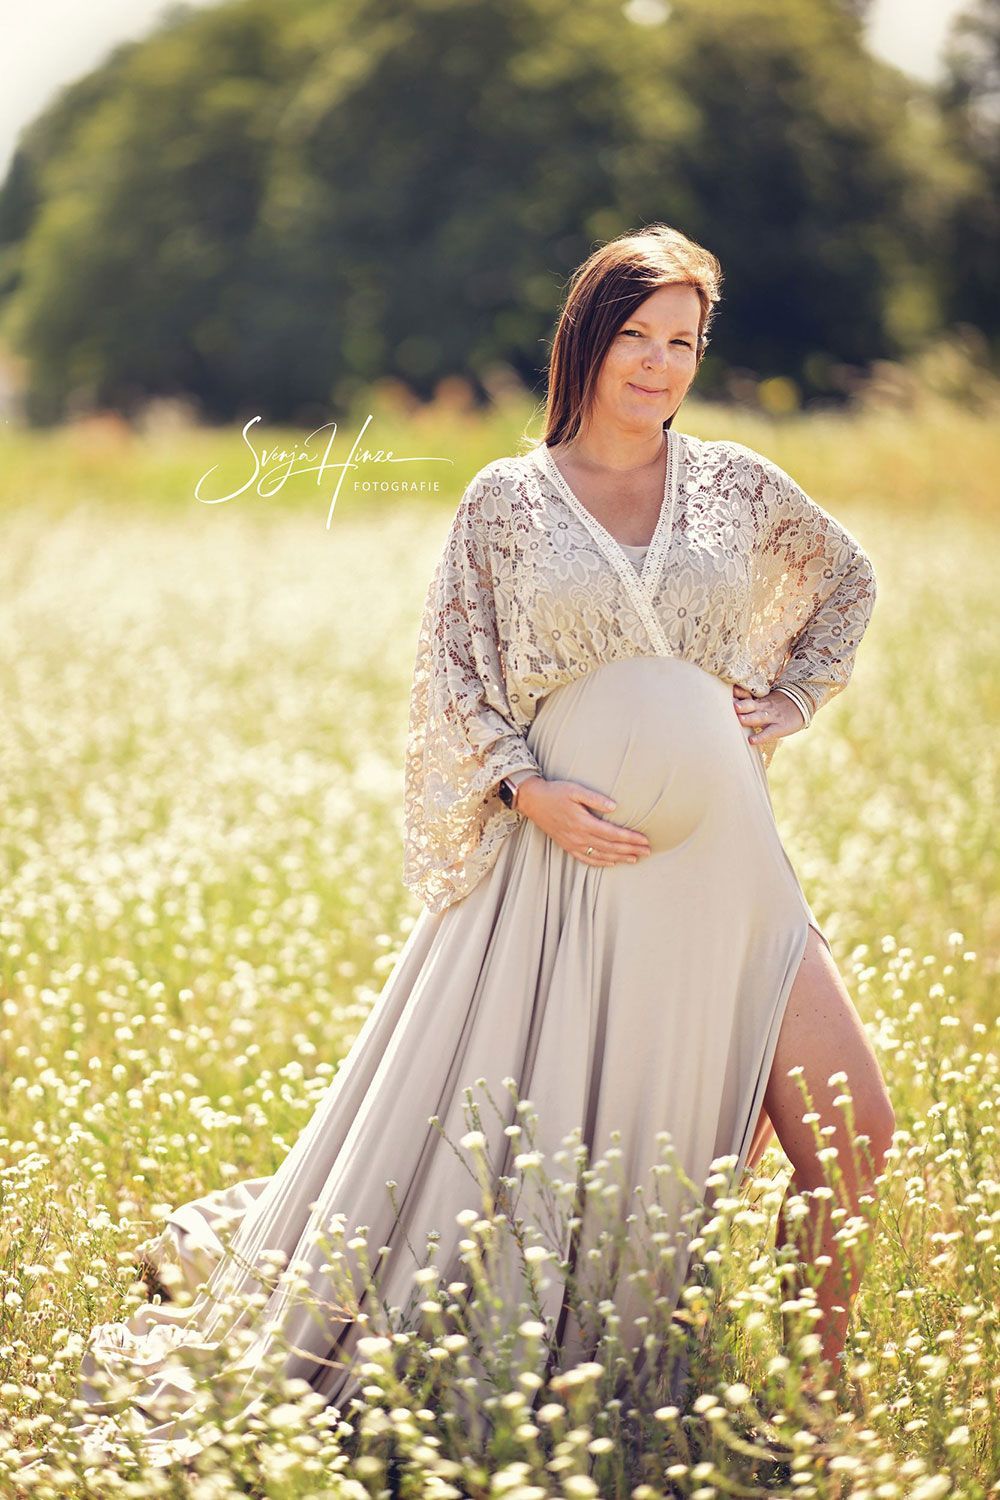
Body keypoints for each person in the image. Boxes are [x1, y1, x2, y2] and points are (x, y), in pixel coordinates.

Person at [55, 223, 894, 1470]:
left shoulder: (735, 484)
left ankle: (818, 1414)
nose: (659, 364)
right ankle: (641, 1383)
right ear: (585, 340)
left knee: (856, 1133)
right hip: (566, 878)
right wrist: (526, 790)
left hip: (731, 869)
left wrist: (792, 698)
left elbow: (847, 578)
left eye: (682, 342)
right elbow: (453, 675)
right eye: (636, 336)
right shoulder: (509, 500)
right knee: (563, 1165)